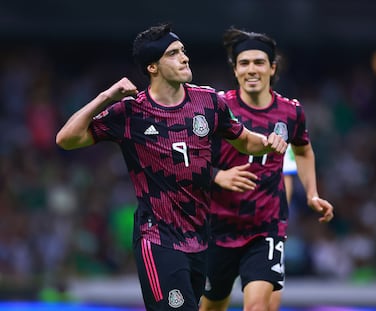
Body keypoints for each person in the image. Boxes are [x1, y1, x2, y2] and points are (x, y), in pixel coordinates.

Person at [55, 23, 287, 311]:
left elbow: (244, 142)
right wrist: (106, 97)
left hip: (200, 240)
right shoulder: (130, 112)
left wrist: (268, 143)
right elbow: (66, 139)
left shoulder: (208, 102)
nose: (185, 58)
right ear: (153, 67)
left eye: (183, 51)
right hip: (158, 239)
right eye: (174, 53)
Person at [199, 27, 334, 311]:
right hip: (217, 227)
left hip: (265, 228)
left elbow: (303, 149)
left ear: (272, 68)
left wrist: (312, 193)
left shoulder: (291, 112)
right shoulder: (216, 108)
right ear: (234, 70)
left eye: (259, 62)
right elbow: (188, 157)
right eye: (244, 63)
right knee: (212, 305)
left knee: (259, 306)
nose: (251, 69)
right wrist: (218, 176)